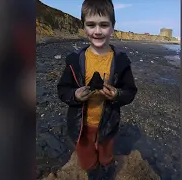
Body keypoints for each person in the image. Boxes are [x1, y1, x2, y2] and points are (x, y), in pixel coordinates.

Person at [57, 0, 137, 179]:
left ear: (112, 27)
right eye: (91, 25)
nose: (98, 31)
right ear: (84, 27)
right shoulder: (74, 60)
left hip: (108, 123)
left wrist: (117, 94)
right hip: (81, 125)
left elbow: (130, 91)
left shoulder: (121, 61)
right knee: (86, 158)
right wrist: (76, 95)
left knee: (106, 153)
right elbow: (63, 89)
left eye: (104, 25)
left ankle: (107, 167)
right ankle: (93, 171)